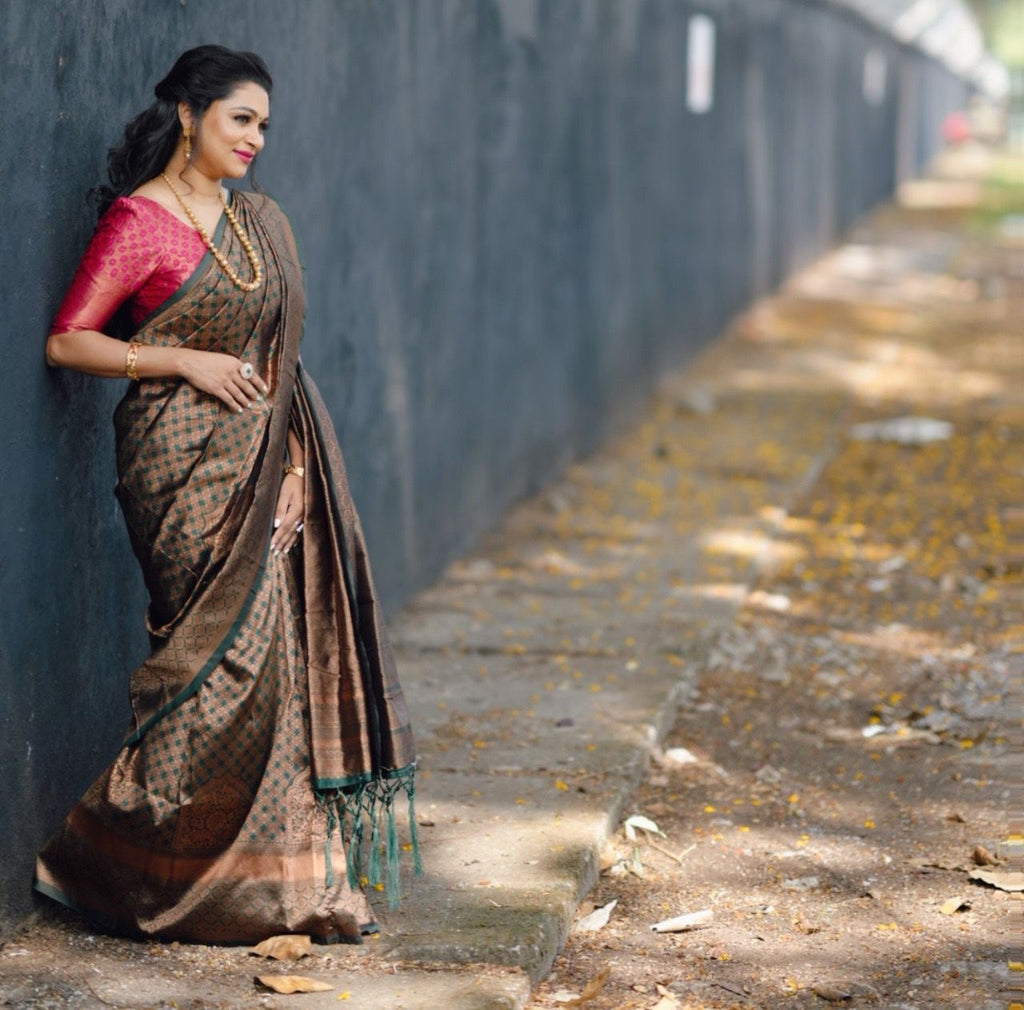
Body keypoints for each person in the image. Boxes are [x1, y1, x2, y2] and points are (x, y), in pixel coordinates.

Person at [35, 45, 418, 946]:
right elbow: (67, 343)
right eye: (241, 119)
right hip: (176, 472)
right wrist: (179, 359)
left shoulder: (261, 224)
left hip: (264, 476)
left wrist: (293, 472)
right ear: (188, 114)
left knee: (276, 673)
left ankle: (290, 887)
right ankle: (110, 862)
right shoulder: (140, 222)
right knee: (215, 672)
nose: (254, 139)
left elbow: (282, 371)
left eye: (263, 126)